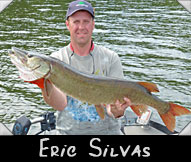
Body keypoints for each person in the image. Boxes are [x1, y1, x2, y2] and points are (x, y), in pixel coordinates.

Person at [42, 0, 131, 135]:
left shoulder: (111, 57)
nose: (81, 27)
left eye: (86, 21)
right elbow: (60, 104)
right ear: (68, 24)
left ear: (93, 25)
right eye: (76, 22)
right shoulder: (57, 60)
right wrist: (42, 84)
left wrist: (117, 111)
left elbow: (111, 110)